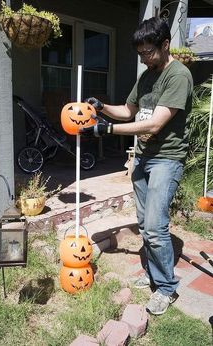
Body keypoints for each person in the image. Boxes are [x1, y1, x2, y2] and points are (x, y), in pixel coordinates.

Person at [80, 16, 193, 315]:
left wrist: (106, 130)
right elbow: (129, 110)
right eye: (140, 53)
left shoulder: (178, 76)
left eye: (148, 52)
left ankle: (166, 287)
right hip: (143, 157)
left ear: (165, 44)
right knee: (145, 224)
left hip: (166, 158)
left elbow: (155, 123)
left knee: (155, 227)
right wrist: (101, 108)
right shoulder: (146, 76)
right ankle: (155, 274)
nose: (143, 58)